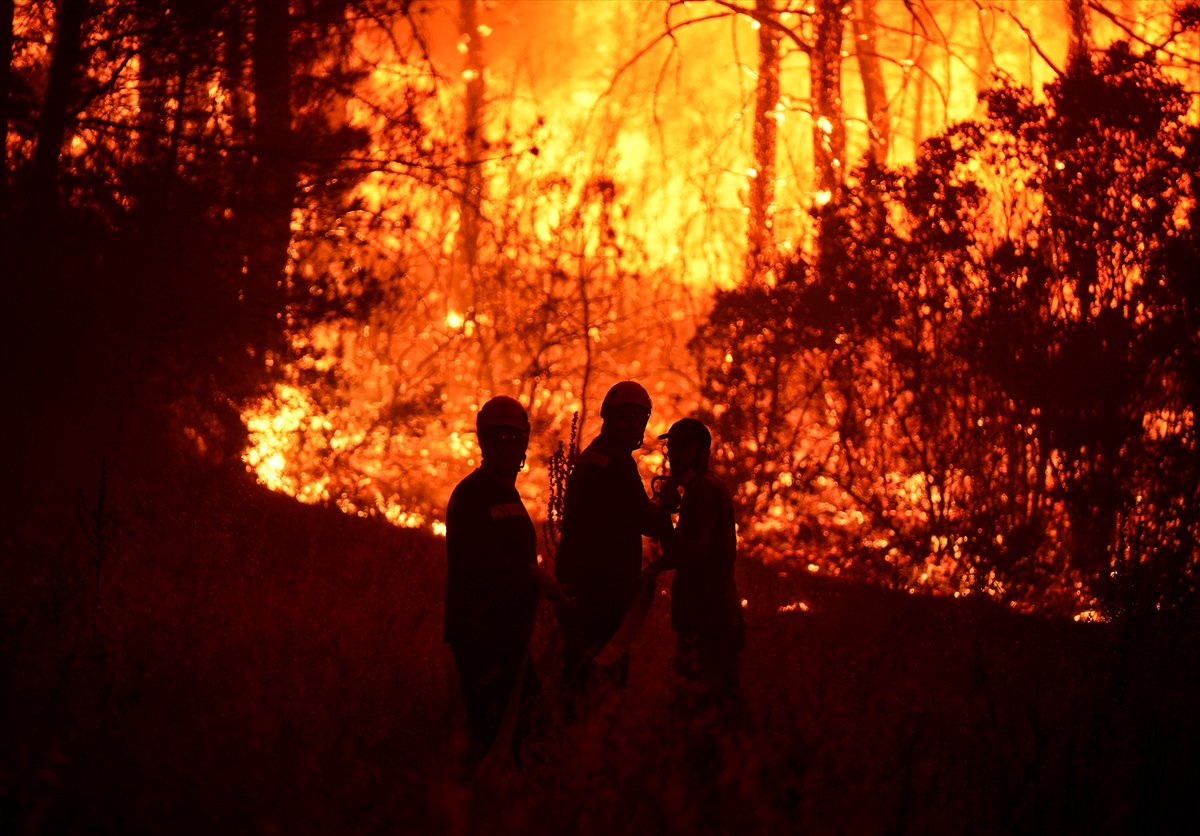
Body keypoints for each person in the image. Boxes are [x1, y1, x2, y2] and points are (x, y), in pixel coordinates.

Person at [444, 395, 561, 763]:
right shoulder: (471, 495)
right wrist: (530, 575)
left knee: (528, 731)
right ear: (484, 442)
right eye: (500, 439)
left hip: (508, 636)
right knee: (494, 733)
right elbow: (473, 562)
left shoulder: (506, 494)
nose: (509, 447)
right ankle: (468, 805)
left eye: (515, 439)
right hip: (481, 635)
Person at [554, 380, 668, 691]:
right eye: (626, 417)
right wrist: (666, 506)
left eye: (638, 418)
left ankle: (565, 734)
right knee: (602, 678)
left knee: (579, 674)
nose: (633, 425)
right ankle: (589, 736)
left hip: (583, 587)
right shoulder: (616, 464)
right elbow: (647, 521)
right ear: (610, 417)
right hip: (602, 593)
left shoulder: (595, 456)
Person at [651, 417, 747, 727]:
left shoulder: (702, 493)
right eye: (672, 448)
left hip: (707, 619)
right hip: (714, 616)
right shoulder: (706, 488)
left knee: (702, 709)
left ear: (702, 452)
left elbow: (689, 554)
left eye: (683, 449)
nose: (675, 456)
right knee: (720, 706)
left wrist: (664, 521)